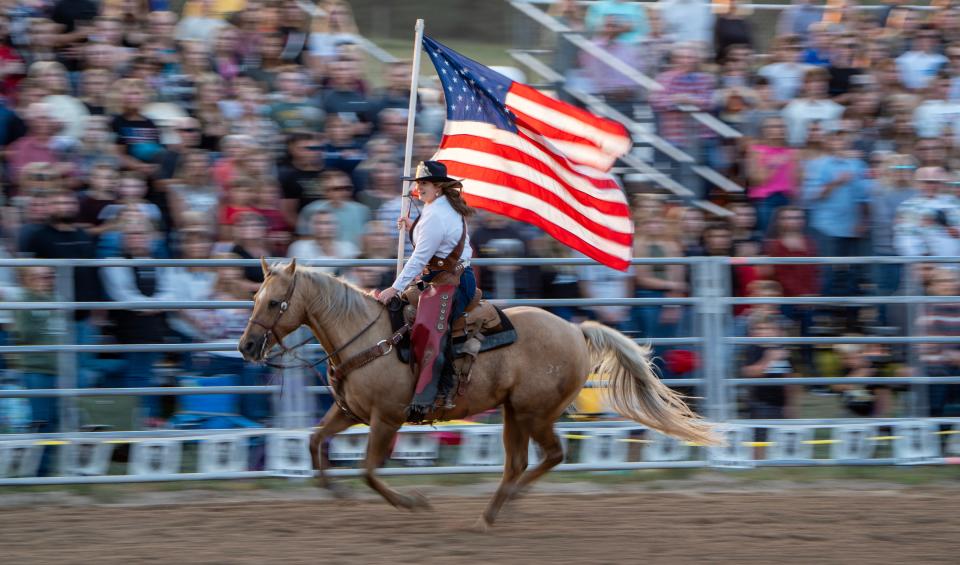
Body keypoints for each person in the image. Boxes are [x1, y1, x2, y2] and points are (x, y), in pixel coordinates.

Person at [376, 161, 477, 420]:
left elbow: (420, 258)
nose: (419, 188)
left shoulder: (435, 215)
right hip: (446, 278)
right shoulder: (441, 210)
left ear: (438, 187)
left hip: (449, 282)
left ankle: (432, 394)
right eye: (419, 183)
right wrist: (412, 226)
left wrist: (395, 287)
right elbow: (439, 243)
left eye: (424, 183)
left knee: (429, 329)